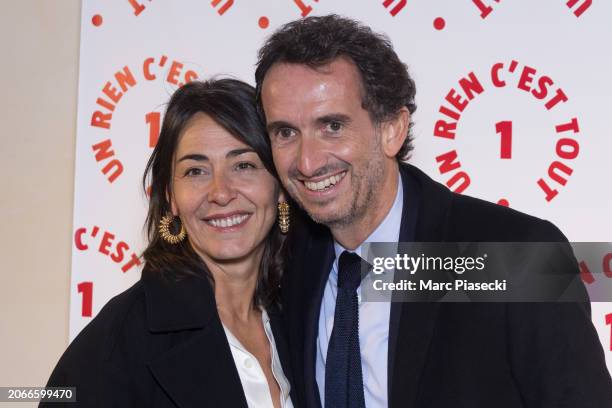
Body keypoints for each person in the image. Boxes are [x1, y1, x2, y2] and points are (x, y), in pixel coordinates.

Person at [254, 15, 612, 408]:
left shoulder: (514, 256)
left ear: (392, 128)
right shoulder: (289, 260)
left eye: (333, 126)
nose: (307, 162)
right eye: (286, 132)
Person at [43, 79, 296, 407]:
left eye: (243, 165)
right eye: (195, 171)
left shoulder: (300, 320)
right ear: (170, 197)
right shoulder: (119, 341)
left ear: (280, 188)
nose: (220, 192)